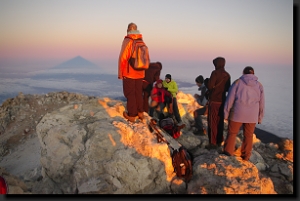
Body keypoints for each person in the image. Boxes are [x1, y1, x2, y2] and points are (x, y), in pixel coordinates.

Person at [223, 66, 265, 161]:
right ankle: (245, 157)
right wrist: (260, 117)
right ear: (253, 74)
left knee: (232, 134)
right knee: (248, 136)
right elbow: (262, 103)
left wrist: (226, 113)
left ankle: (228, 153)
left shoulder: (237, 83)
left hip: (237, 113)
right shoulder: (259, 85)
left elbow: (229, 99)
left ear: (243, 73)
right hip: (252, 115)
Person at [118, 22, 146, 122]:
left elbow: (123, 57)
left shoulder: (128, 40)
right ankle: (140, 112)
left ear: (128, 30)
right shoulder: (141, 41)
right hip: (140, 72)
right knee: (138, 92)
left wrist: (121, 73)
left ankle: (132, 115)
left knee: (130, 93)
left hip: (129, 72)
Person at [206, 57, 231, 149]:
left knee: (213, 122)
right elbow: (228, 88)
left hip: (214, 100)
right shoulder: (227, 75)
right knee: (220, 121)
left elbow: (210, 86)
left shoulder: (215, 73)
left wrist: (207, 82)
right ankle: (220, 140)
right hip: (222, 100)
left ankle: (213, 143)